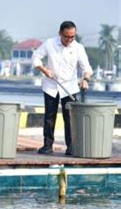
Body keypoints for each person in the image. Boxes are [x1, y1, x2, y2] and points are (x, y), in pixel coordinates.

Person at [32, 21, 93, 156]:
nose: (70, 40)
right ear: (60, 33)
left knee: (70, 118)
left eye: (72, 36)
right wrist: (44, 70)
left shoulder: (78, 48)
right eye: (67, 36)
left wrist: (85, 79)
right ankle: (47, 145)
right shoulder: (49, 43)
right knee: (49, 116)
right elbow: (35, 57)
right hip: (51, 85)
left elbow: (86, 68)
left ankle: (71, 147)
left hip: (69, 88)